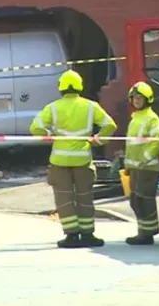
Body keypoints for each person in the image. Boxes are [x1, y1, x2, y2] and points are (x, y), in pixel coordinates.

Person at [29, 70, 116, 248]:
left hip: (59, 162)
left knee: (64, 199)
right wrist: (97, 139)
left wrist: (49, 135)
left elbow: (35, 127)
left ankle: (71, 236)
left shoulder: (53, 107)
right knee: (85, 197)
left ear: (61, 87)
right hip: (82, 160)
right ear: (80, 86)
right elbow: (110, 125)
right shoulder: (90, 106)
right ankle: (88, 235)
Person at [123, 81, 159, 246]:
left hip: (147, 168)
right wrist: (129, 164)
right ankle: (143, 231)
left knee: (144, 200)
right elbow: (132, 144)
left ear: (148, 99)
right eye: (134, 97)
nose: (136, 100)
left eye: (140, 98)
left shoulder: (151, 118)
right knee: (135, 201)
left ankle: (147, 234)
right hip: (136, 168)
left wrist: (145, 157)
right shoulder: (136, 118)